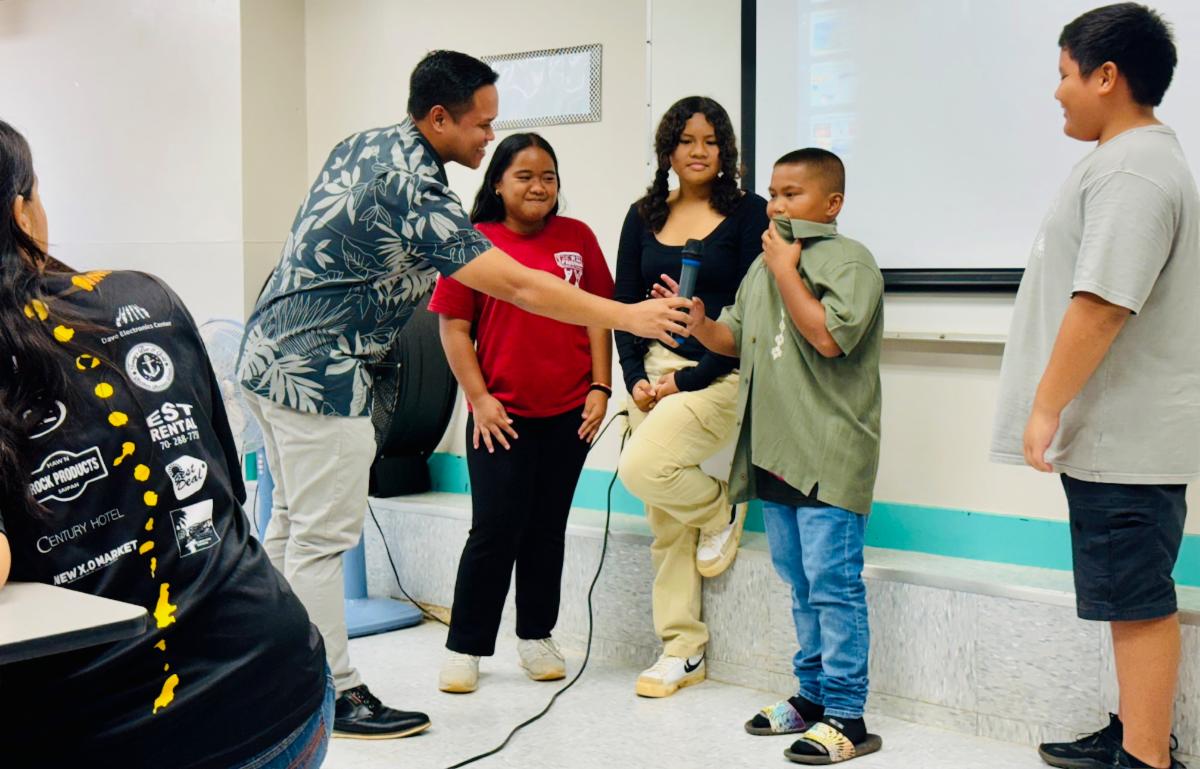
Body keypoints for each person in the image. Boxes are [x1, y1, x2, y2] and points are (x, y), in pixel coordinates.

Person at [236, 50, 689, 737]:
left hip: (268, 354)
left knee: (289, 528)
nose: (487, 137)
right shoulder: (414, 187)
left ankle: (277, 671)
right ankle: (334, 690)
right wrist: (627, 315)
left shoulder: (364, 143)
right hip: (318, 373)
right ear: (439, 118)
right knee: (322, 540)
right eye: (482, 126)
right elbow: (514, 283)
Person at [0, 120, 333, 769]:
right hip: (281, 692)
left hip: (113, 735)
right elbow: (222, 489)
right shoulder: (139, 295)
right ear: (22, 209)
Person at [991, 5, 1196, 769]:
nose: (1057, 93)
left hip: (1125, 437)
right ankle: (1136, 732)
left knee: (1137, 598)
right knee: (1127, 594)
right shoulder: (1127, 160)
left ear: (1106, 76)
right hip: (1119, 435)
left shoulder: (1135, 168)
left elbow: (1104, 302)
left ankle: (1146, 758)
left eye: (1064, 74)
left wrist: (1047, 406)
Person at [682, 148, 884, 764]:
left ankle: (849, 716)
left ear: (832, 203)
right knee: (800, 585)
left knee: (833, 586)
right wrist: (697, 322)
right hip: (775, 454)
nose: (776, 206)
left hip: (828, 454)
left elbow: (826, 336)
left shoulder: (850, 261)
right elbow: (734, 339)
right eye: (772, 193)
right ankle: (812, 699)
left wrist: (787, 271)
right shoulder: (765, 266)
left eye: (792, 194)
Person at [428, 133, 614, 693]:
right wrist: (480, 400)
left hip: (569, 414)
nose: (538, 186)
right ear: (498, 184)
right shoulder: (474, 242)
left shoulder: (577, 237)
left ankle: (536, 637)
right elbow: (453, 327)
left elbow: (599, 316)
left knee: (546, 529)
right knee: (495, 530)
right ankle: (465, 647)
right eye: (525, 176)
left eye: (548, 176)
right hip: (499, 416)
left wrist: (601, 386)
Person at [613, 96, 768, 699]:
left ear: (725, 150)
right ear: (668, 150)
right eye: (686, 141)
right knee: (663, 519)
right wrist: (634, 380)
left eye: (710, 141)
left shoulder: (752, 214)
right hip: (651, 374)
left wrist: (690, 378)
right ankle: (682, 648)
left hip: (719, 371)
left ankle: (720, 509)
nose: (698, 152)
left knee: (644, 467)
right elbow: (624, 307)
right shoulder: (641, 215)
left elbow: (753, 317)